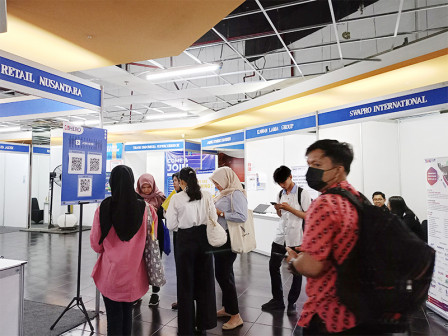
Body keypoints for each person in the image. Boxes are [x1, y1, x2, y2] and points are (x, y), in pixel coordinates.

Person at [286, 139, 373, 334]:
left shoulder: (324, 203)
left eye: (317, 165)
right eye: (309, 165)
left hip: (328, 312)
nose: (310, 171)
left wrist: (294, 261)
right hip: (358, 307)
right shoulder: (356, 198)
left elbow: (312, 266)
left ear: (338, 170)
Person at [90, 165, 156, 336]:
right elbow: (152, 239)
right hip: (134, 274)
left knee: (113, 320)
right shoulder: (147, 209)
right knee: (128, 316)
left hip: (110, 274)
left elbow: (96, 244)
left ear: (112, 182)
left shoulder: (103, 208)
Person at [166, 167, 217, 336]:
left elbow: (171, 225)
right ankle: (203, 323)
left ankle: (187, 327)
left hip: (185, 241)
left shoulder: (177, 198)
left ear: (181, 182)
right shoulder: (207, 195)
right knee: (205, 282)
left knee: (185, 283)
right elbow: (213, 219)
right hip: (204, 239)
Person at [261, 165, 311, 316]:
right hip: (280, 236)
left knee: (296, 270)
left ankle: (292, 301)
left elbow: (309, 216)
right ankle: (277, 300)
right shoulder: (280, 193)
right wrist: (278, 209)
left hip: (297, 238)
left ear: (290, 177)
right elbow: (281, 216)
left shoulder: (303, 193)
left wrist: (290, 209)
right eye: (279, 183)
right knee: (273, 267)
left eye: (283, 182)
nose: (282, 185)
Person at [209, 166, 247, 330]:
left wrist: (221, 213)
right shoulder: (224, 193)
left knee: (223, 276)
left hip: (228, 240)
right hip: (220, 238)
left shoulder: (236, 194)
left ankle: (236, 316)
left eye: (218, 182)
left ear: (226, 179)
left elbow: (242, 216)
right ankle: (227, 308)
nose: (216, 185)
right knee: (225, 274)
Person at [136, 173, 167, 306]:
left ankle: (155, 293)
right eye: (144, 187)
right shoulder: (135, 197)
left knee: (155, 260)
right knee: (138, 262)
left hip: (155, 232)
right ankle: (137, 292)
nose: (147, 190)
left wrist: (154, 211)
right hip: (139, 233)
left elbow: (165, 214)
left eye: (149, 187)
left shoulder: (159, 197)